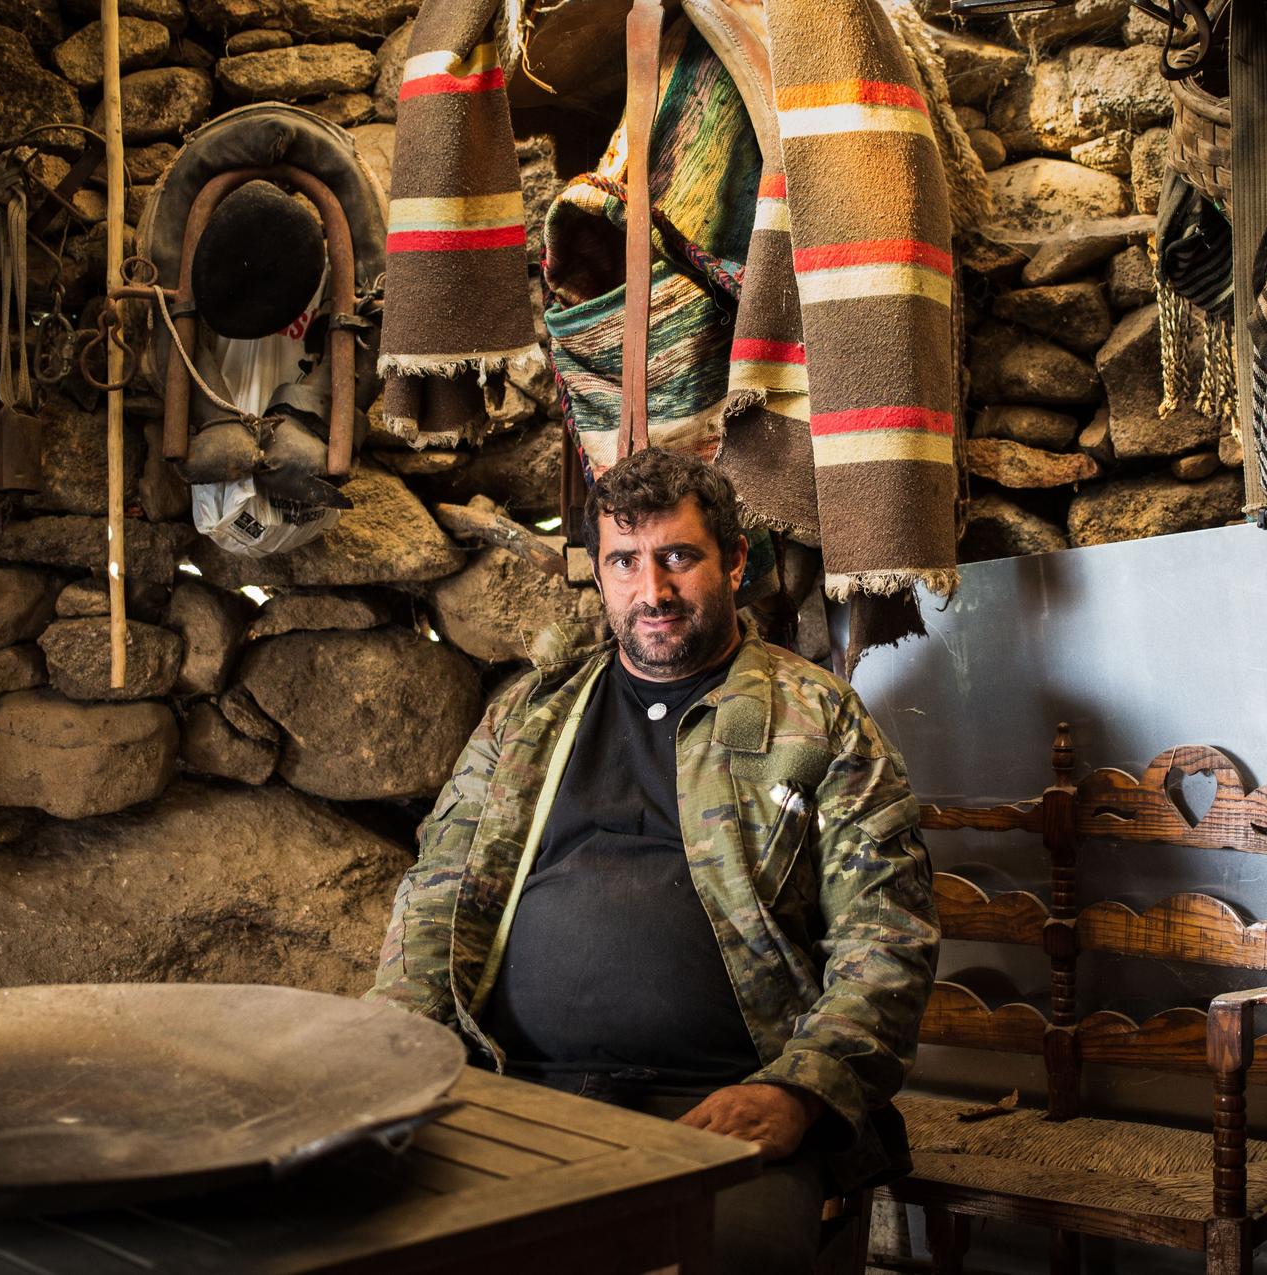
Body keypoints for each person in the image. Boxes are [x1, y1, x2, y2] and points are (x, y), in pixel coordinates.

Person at [368, 448, 938, 1272]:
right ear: (600, 574)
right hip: (513, 1087)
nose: (653, 591)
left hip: (717, 1106)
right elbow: (436, 895)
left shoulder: (817, 718)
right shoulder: (527, 719)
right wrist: (395, 1058)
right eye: (625, 562)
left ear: (734, 561)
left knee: (717, 1259)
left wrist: (802, 1089)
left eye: (679, 556)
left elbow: (887, 936)